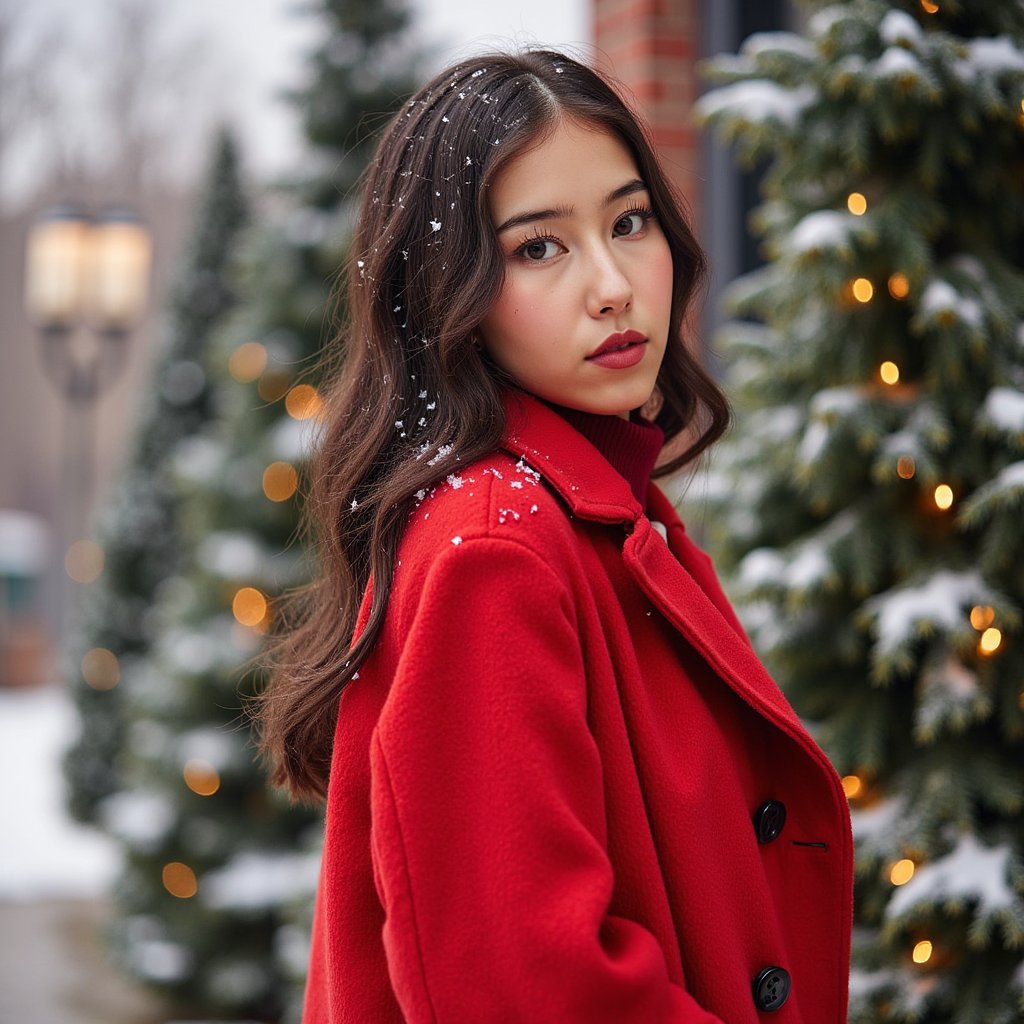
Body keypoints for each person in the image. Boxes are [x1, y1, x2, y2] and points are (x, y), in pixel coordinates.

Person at [258, 48, 853, 1023]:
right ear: (447, 292)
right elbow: (528, 987)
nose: (613, 285)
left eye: (629, 222)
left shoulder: (602, 512)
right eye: (539, 248)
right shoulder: (498, 551)